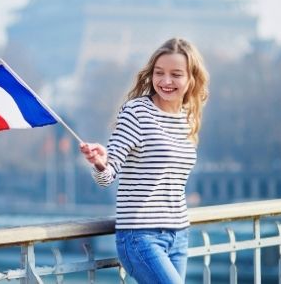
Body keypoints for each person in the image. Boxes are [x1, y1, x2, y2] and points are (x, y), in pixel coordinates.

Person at [80, 37, 209, 283]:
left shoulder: (188, 118)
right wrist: (99, 161)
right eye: (159, 73)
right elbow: (107, 176)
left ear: (191, 78)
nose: (165, 81)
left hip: (179, 234)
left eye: (176, 74)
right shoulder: (136, 112)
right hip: (141, 237)